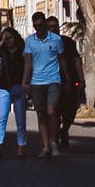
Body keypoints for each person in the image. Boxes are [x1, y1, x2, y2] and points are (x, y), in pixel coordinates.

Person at [23, 13, 66, 158]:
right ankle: (46, 145)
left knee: (51, 111)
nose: (38, 28)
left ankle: (54, 142)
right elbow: (28, 62)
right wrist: (25, 81)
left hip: (53, 79)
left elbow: (61, 60)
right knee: (41, 114)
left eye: (40, 25)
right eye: (35, 26)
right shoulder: (29, 41)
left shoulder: (56, 40)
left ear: (45, 25)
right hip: (36, 81)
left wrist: (67, 79)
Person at [0, 24, 27, 156]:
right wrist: (0, 43)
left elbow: (28, 66)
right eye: (6, 38)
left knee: (20, 119)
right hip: (4, 87)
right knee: (2, 117)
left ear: (15, 38)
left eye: (10, 38)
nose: (8, 41)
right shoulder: (2, 51)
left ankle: (21, 147)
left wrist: (26, 83)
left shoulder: (22, 50)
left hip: (18, 87)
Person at [54, 18, 84, 151]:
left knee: (70, 110)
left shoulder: (67, 42)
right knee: (54, 111)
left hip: (70, 81)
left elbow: (76, 59)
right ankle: (55, 138)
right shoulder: (44, 43)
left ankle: (64, 129)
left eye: (55, 26)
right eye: (49, 27)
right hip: (52, 82)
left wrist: (81, 79)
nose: (53, 29)